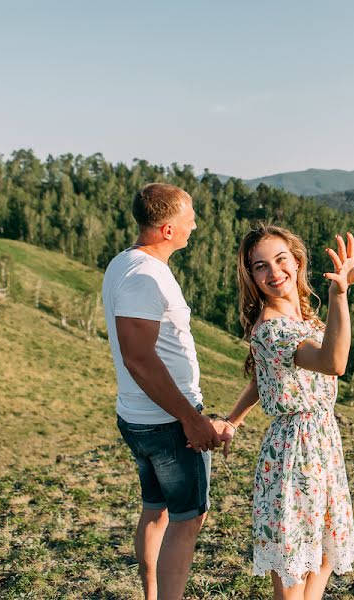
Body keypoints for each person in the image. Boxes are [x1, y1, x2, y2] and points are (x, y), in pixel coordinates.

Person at [221, 224, 354, 599]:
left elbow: (265, 378)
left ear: (297, 261)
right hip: (294, 453)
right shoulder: (274, 329)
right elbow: (334, 361)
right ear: (252, 276)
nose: (274, 273)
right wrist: (339, 294)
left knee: (323, 558)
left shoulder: (302, 319)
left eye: (280, 260)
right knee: (294, 579)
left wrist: (233, 419)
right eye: (260, 266)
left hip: (322, 444)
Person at [102, 182, 232, 600]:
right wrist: (191, 419)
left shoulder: (125, 263)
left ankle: (152, 595)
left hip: (141, 418)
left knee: (155, 509)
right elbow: (138, 357)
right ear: (168, 230)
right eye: (188, 217)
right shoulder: (145, 276)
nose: (195, 224)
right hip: (167, 421)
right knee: (187, 519)